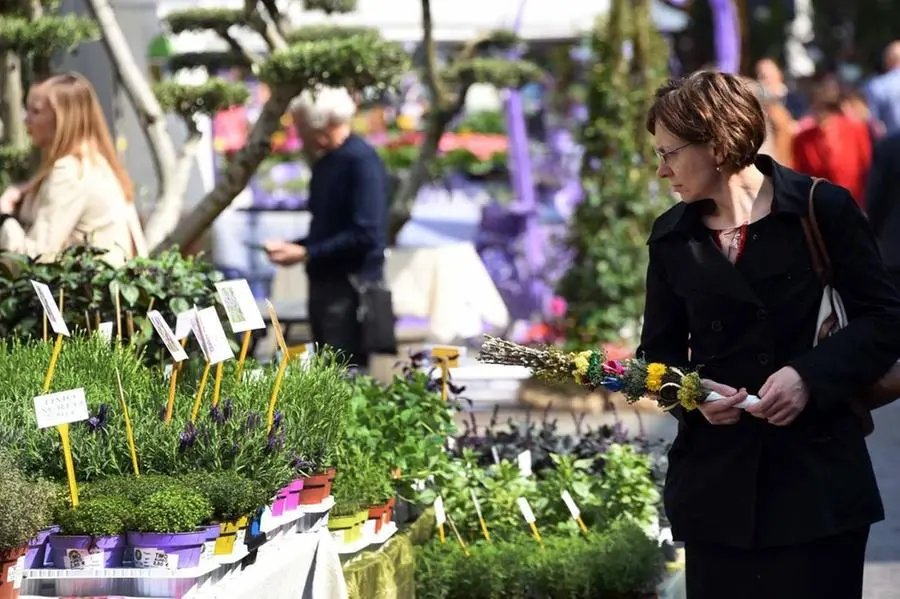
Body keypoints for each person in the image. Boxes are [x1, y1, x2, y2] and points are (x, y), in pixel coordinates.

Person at [638, 70, 900, 599]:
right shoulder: (672, 236)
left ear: (715, 144)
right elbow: (656, 357)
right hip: (717, 490)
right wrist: (694, 397)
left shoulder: (820, 209)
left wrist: (808, 376)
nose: (661, 169)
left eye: (670, 152)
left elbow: (885, 319)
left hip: (817, 482)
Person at [264, 87, 389, 369]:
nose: (296, 131)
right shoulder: (327, 163)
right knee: (326, 371)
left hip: (349, 291)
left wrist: (307, 252)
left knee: (345, 375)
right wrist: (297, 247)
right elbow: (330, 228)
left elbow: (367, 233)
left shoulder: (360, 162)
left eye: (300, 124)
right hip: (323, 287)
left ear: (319, 123)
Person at [0, 72, 147, 265]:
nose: (26, 120)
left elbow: (34, 258)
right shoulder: (93, 163)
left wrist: (4, 217)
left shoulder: (70, 171)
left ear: (62, 119)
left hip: (84, 292)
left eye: (35, 111)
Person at [792, 73, 872, 208]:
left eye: (826, 108)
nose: (820, 114)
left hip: (854, 205)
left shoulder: (856, 129)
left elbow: (867, 167)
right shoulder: (803, 139)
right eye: (816, 107)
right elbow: (801, 176)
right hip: (819, 209)